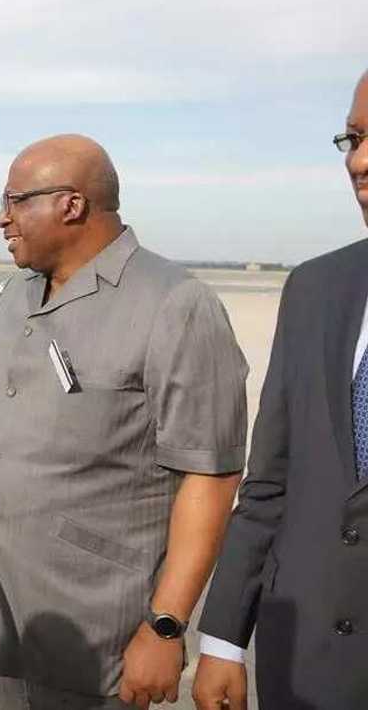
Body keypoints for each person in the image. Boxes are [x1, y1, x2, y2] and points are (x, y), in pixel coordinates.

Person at [0, 134, 248, 710]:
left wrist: (166, 626)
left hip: (95, 635)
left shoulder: (175, 306)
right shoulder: (18, 293)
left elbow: (210, 476)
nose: (1, 217)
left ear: (71, 204)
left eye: (15, 200)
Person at [193, 71, 368, 709]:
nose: (359, 160)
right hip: (305, 665)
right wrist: (223, 641)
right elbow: (270, 480)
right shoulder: (316, 289)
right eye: (352, 138)